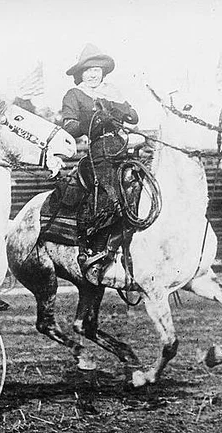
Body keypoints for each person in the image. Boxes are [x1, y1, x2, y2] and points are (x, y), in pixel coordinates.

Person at [60, 44, 140, 280]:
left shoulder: (112, 91)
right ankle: (96, 250)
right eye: (88, 70)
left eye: (96, 70)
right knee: (112, 195)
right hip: (100, 151)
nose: (93, 74)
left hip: (124, 147)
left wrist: (117, 106)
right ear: (81, 74)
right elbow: (69, 126)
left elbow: (134, 117)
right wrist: (92, 121)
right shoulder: (74, 95)